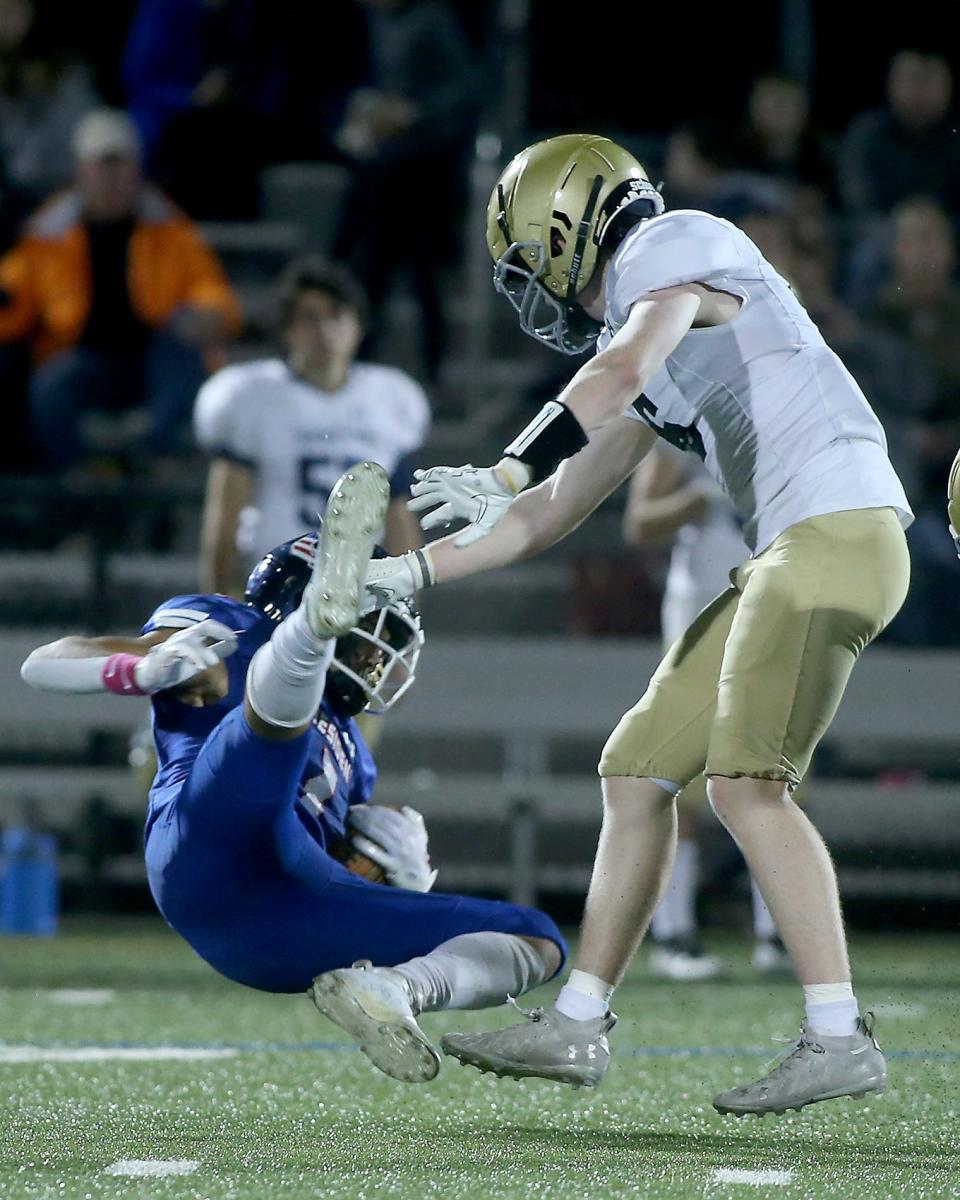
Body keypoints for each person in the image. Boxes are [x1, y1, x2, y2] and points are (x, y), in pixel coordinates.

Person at [365, 134, 911, 1114]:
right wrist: (405, 571)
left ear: (569, 229)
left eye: (535, 264)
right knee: (636, 768)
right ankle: (578, 1024)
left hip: (835, 533)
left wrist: (504, 464)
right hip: (795, 550)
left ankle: (838, 1035)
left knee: (748, 790)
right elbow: (549, 515)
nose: (536, 293)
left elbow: (617, 367)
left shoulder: (670, 246)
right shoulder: (637, 353)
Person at [19, 462, 564, 1083]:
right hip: (208, 841)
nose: (376, 660)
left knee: (538, 939)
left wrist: (388, 868)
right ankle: (310, 632)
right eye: (367, 632)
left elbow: (344, 856)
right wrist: (144, 669)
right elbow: (43, 664)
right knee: (273, 730)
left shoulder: (355, 751)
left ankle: (394, 993)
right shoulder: (231, 631)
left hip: (286, 916)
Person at [623, 445, 788, 980]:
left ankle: (779, 936)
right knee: (683, 777)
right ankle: (675, 935)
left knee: (776, 773)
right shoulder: (686, 426)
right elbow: (640, 522)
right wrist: (698, 496)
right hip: (702, 613)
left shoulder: (794, 417)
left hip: (774, 606)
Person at [0, 108, 241, 473]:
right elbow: (14, 294)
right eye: (102, 166)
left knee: (182, 351)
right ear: (81, 172)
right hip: (86, 359)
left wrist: (209, 313)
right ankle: (78, 485)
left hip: (154, 359)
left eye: (121, 166)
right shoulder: (48, 236)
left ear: (137, 172)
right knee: (51, 385)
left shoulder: (170, 230)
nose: (112, 178)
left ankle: (157, 464)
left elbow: (210, 289)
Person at [194, 256, 427, 597]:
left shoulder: (390, 399)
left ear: (358, 326)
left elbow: (399, 516)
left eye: (336, 317)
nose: (325, 331)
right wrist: (223, 604)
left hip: (356, 588)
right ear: (286, 328)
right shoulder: (250, 397)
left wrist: (407, 601)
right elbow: (224, 518)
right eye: (310, 318)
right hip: (273, 584)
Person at [334, 0, 478, 381]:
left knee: (425, 277)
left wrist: (413, 113)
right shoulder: (369, 24)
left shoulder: (433, 21)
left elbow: (462, 90)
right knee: (371, 273)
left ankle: (434, 370)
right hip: (383, 170)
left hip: (424, 173)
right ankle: (357, 362)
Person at [837, 49, 960, 216]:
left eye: (930, 80)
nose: (920, 92)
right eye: (912, 80)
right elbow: (857, 202)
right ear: (891, 82)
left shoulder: (955, 134)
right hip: (883, 231)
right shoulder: (866, 133)